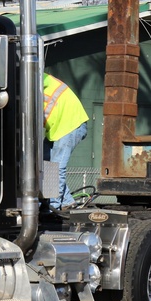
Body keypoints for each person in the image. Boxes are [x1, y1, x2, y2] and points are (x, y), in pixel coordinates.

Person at [43, 73, 88, 211]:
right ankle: (67, 202)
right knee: (44, 165)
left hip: (70, 126)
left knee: (55, 167)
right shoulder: (42, 81)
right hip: (59, 128)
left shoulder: (36, 82)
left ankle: (54, 206)